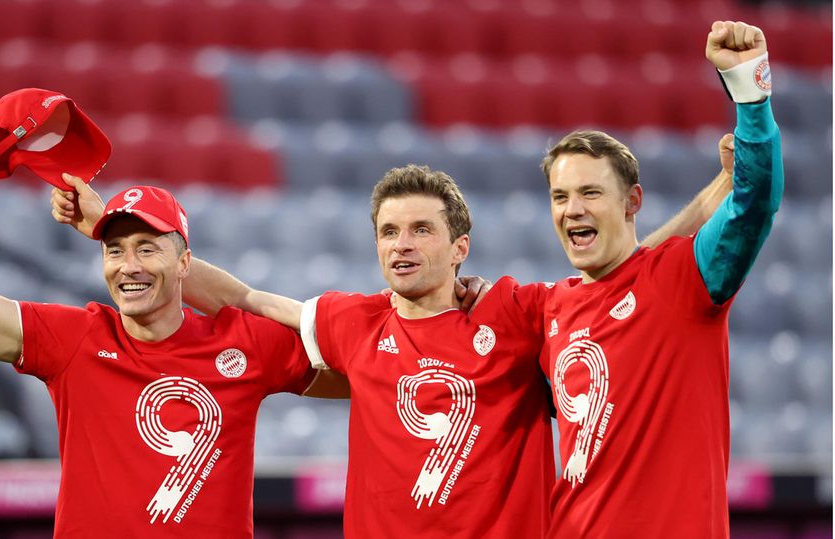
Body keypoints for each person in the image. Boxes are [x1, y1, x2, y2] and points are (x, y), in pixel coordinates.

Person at [52, 143, 733, 537]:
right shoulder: (355, 321)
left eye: (421, 231)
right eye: (388, 232)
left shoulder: (518, 312)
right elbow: (243, 297)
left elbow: (626, 278)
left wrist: (716, 193)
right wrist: (108, 227)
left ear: (460, 245)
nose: (401, 246)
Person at [0, 132, 346, 537]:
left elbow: (362, 376)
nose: (127, 266)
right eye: (114, 250)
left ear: (185, 264)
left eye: (147, 248)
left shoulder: (242, 342)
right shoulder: (74, 338)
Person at [537, 20, 782, 538]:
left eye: (591, 193)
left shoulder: (684, 278)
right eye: (560, 197)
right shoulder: (546, 309)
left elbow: (756, 200)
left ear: (633, 203)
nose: (572, 210)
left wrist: (748, 90)